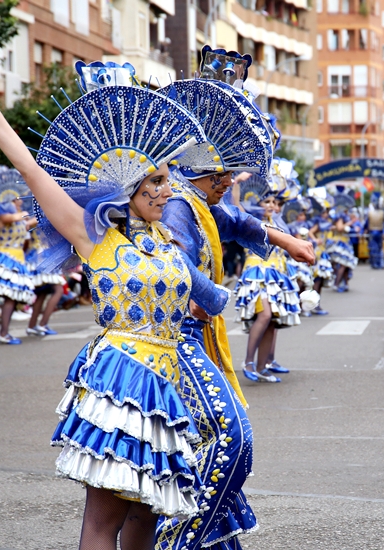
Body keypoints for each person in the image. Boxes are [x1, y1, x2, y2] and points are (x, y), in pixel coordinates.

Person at [0, 53, 234, 549]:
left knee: (149, 515)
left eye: (167, 180)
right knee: (104, 522)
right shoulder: (96, 240)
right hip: (121, 378)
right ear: (128, 188)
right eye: (156, 182)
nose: (168, 191)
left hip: (168, 385)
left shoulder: (167, 242)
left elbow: (210, 297)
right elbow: (29, 166)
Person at [157, 54, 314, 550]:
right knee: (227, 439)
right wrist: (213, 296)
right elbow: (178, 265)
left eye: (229, 176)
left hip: (195, 333)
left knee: (209, 443)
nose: (227, 184)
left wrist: (284, 240)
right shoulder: (180, 203)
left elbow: (234, 222)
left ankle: (209, 536)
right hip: (170, 340)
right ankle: (180, 536)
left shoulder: (197, 199)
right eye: (219, 176)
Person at [233, 170, 301, 382]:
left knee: (272, 319)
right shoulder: (251, 220)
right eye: (267, 201)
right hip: (257, 274)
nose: (272, 205)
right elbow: (235, 208)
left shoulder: (278, 222)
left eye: (274, 201)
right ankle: (248, 362)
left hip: (276, 276)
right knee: (264, 315)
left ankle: (263, 367)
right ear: (255, 202)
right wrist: (236, 184)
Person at [0, 170, 36, 345]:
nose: (19, 202)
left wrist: (43, 214)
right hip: (5, 257)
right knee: (9, 297)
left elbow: (27, 224)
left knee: (12, 297)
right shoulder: (3, 217)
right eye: (16, 199)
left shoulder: (18, 219)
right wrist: (28, 213)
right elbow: (15, 217)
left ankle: (5, 331)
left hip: (17, 259)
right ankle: (3, 332)